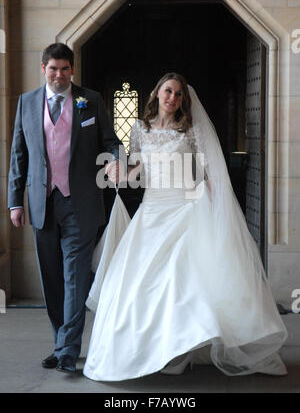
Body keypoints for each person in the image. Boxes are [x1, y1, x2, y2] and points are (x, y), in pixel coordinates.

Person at [83, 72, 288, 382]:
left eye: (178, 94)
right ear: (156, 93)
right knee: (141, 283)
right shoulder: (140, 128)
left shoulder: (189, 129)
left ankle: (181, 350)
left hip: (184, 208)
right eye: (168, 91)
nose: (173, 98)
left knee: (182, 281)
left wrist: (212, 196)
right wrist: (118, 174)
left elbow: (208, 169)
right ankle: (157, 348)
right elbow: (138, 168)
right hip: (152, 211)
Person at [8, 43, 124, 373]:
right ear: (43, 68)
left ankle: (69, 350)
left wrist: (116, 161)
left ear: (72, 70)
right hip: (42, 203)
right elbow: (19, 154)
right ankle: (60, 342)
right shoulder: (27, 103)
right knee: (52, 279)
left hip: (81, 203)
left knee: (74, 276)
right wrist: (15, 201)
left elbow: (111, 141)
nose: (59, 75)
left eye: (65, 69)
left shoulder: (91, 100)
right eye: (53, 69)